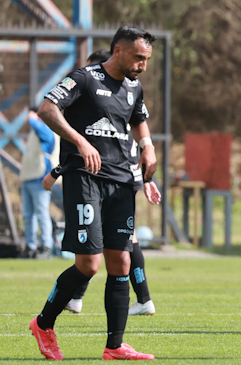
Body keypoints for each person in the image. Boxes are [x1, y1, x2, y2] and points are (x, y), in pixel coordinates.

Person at [30, 25, 158, 360]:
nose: (142, 65)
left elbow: (138, 118)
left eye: (146, 59)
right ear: (118, 50)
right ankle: (43, 324)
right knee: (89, 264)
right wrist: (80, 140)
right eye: (137, 57)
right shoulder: (84, 78)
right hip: (85, 178)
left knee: (121, 261)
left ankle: (114, 347)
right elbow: (47, 109)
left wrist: (147, 146)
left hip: (120, 182)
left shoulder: (134, 85)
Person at [19, 108, 58, 259]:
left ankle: (46, 247)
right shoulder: (33, 133)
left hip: (40, 178)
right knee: (28, 216)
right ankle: (31, 247)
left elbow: (45, 134)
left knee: (42, 214)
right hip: (28, 178)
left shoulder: (47, 129)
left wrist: (33, 118)